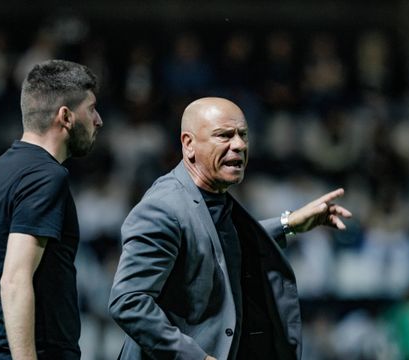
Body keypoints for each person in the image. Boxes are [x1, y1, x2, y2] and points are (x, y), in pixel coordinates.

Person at [109, 97, 352, 360]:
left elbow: (215, 245)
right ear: (188, 144)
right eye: (224, 135)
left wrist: (288, 224)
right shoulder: (163, 207)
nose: (238, 145)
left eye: (243, 135)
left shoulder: (209, 196)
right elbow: (129, 301)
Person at [0, 60, 102, 360]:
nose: (98, 120)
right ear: (65, 116)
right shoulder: (46, 177)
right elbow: (14, 279)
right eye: (91, 108)